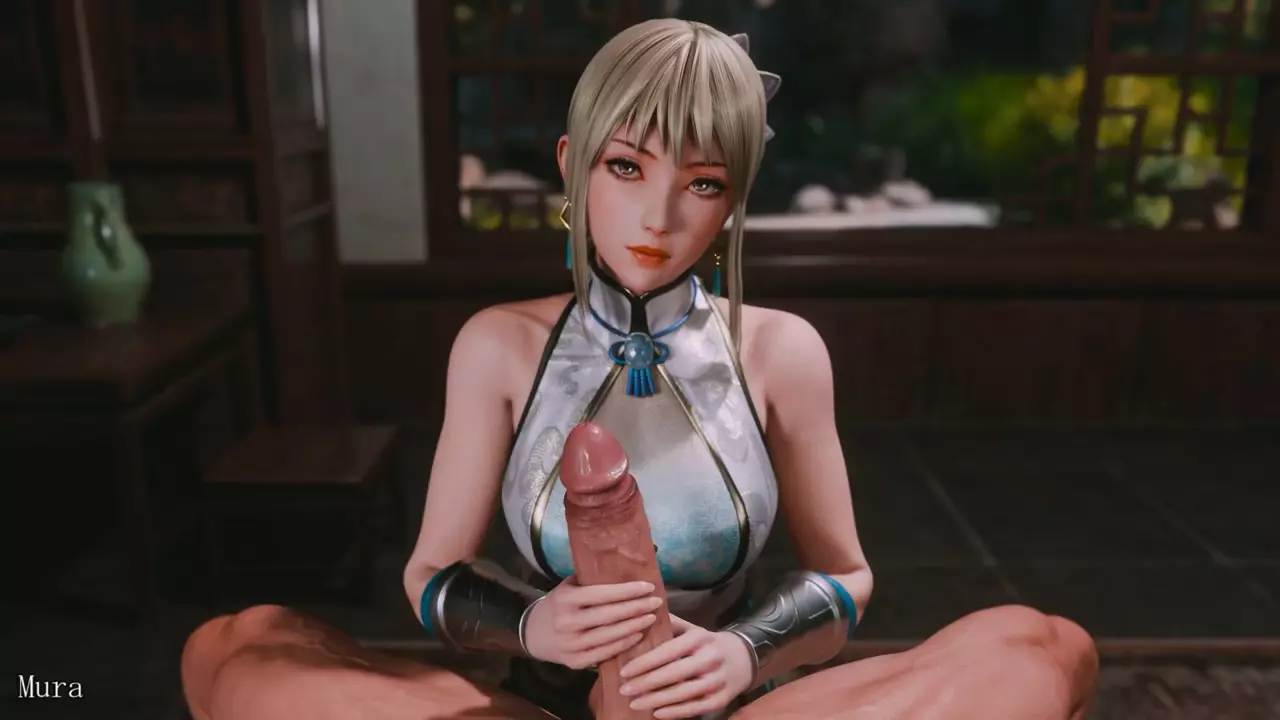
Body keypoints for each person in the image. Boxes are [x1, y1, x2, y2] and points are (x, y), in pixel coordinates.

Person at [181, 18, 1098, 720]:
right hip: (547, 702)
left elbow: (847, 575)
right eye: (626, 167)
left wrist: (741, 653)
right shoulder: (497, 344)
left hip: (728, 700)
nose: (658, 215)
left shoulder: (782, 350)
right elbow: (429, 571)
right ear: (573, 166)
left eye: (701, 182)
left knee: (1039, 649)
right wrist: (531, 624)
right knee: (238, 648)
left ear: (733, 200)